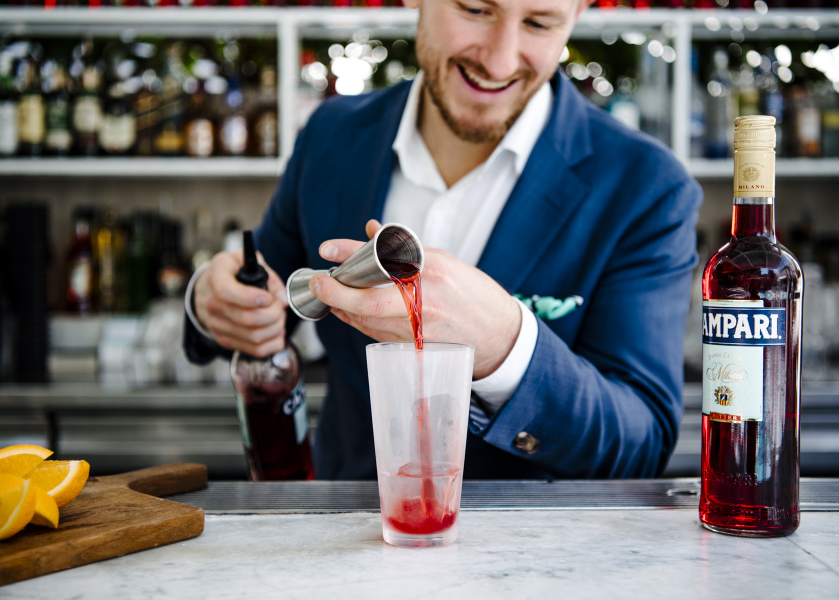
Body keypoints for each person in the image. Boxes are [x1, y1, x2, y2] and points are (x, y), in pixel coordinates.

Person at [184, 0, 703, 480]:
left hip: (534, 546)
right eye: (475, 9)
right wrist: (213, 299)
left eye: (538, 22)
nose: (498, 61)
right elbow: (263, 292)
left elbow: (642, 442)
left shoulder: (647, 186)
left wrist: (504, 347)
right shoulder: (331, 135)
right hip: (343, 529)